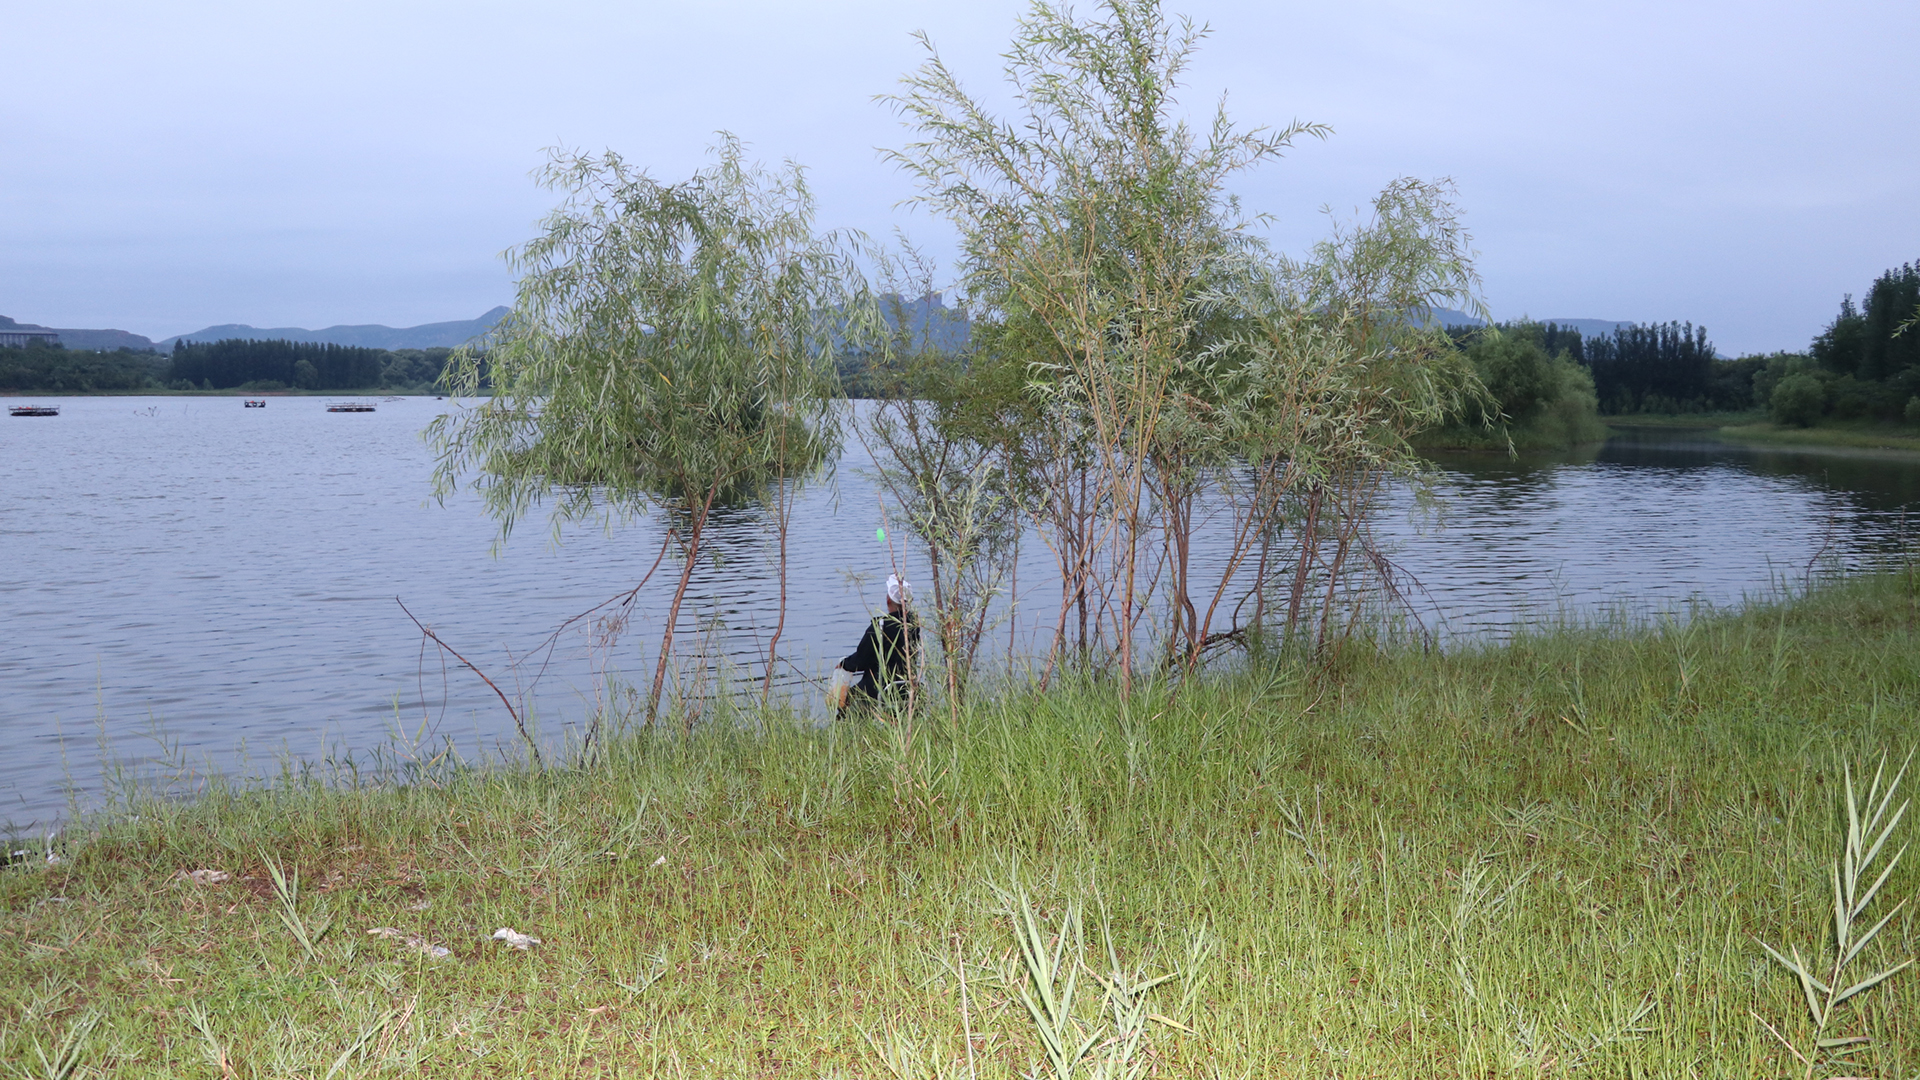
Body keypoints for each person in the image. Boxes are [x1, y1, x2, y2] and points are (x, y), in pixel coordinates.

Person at [834, 573, 920, 711]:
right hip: (907, 685)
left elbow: (861, 660)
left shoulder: (880, 626)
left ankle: (849, 728)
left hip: (880, 687)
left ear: (888, 600)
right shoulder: (914, 625)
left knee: (849, 698)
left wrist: (844, 664)